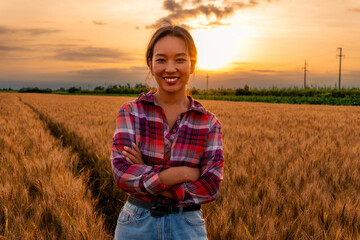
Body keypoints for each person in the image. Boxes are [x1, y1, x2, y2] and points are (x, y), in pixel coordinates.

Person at [110, 25, 224, 240]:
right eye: (161, 59)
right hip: (136, 224)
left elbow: (210, 187)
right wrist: (184, 174)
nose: (170, 69)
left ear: (192, 64)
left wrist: (145, 169)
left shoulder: (208, 123)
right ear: (150, 65)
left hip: (187, 226)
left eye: (180, 59)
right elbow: (122, 174)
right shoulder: (131, 112)